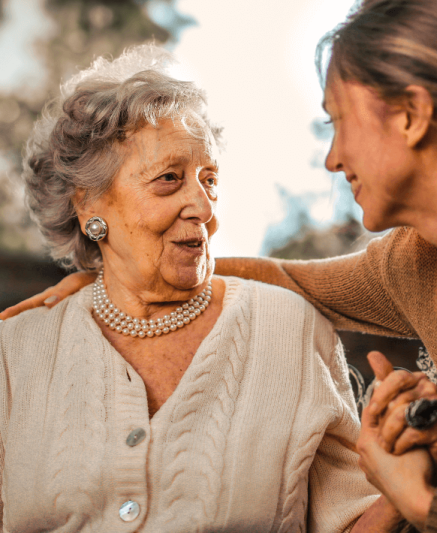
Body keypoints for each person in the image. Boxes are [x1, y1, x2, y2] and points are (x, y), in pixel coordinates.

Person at [13, 0, 437, 531]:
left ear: (413, 116)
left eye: (338, 121)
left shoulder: (316, 321)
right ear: (87, 203)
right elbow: (290, 279)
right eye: (169, 179)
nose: (333, 158)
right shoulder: (415, 266)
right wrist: (114, 275)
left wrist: (421, 505)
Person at [0, 43, 411, 532]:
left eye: (210, 180)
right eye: (170, 179)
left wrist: (399, 496)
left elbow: (349, 520)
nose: (203, 205)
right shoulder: (14, 352)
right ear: (89, 205)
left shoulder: (291, 330)